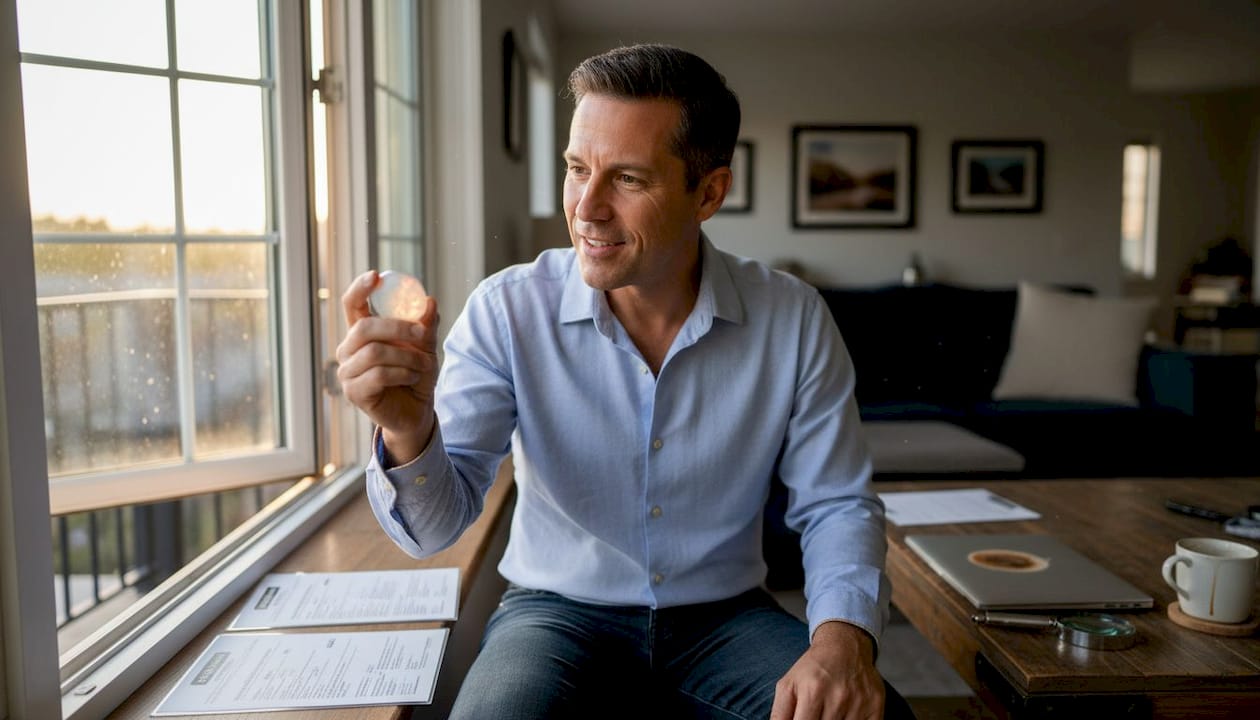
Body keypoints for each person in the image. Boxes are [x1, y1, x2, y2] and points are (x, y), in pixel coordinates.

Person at [337, 43, 911, 720]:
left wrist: (844, 640)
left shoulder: (792, 318)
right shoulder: (508, 309)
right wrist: (406, 430)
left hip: (725, 620)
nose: (587, 208)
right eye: (578, 169)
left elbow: (838, 503)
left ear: (709, 193)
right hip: (554, 617)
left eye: (628, 179)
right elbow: (434, 530)